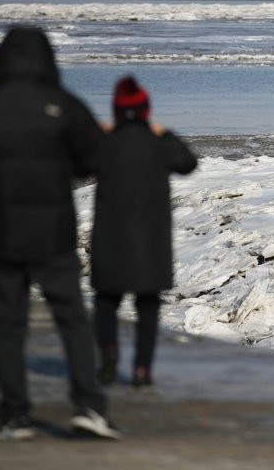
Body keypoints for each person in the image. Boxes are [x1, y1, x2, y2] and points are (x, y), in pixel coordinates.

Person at [0, 27, 120, 441]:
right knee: (72, 320)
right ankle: (88, 407)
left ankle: (15, 416)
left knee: (7, 325)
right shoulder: (63, 106)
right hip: (51, 233)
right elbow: (92, 159)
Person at [90, 75, 197, 387]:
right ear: (147, 110)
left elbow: (79, 165)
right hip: (150, 241)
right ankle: (142, 368)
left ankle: (108, 351)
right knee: (148, 306)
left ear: (116, 110)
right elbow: (188, 162)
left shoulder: (106, 143)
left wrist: (98, 133)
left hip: (111, 238)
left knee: (106, 302)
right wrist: (163, 133)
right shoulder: (157, 142)